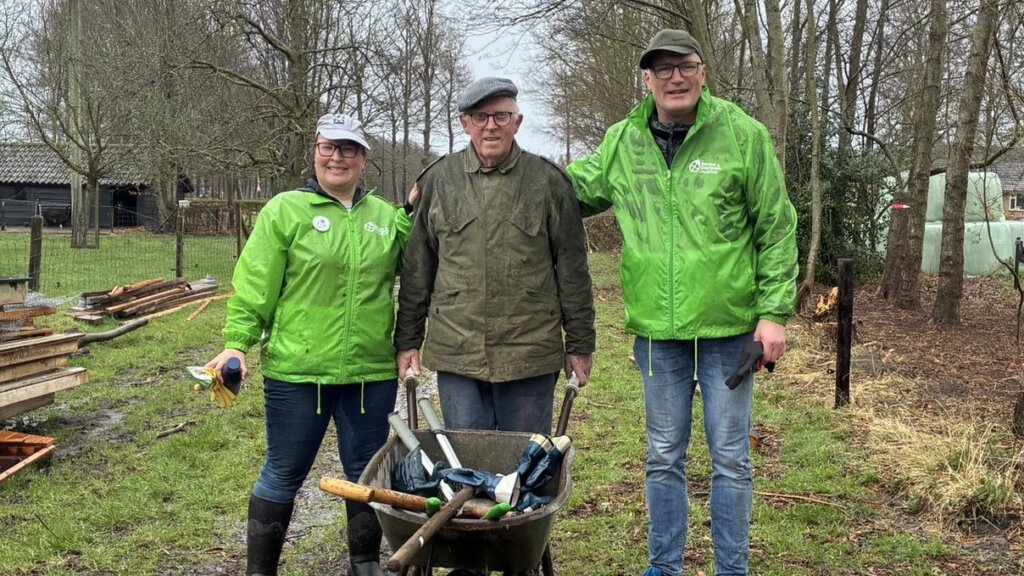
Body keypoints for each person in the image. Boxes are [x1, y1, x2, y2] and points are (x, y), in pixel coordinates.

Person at [565, 30, 798, 576]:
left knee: (731, 460)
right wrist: (506, 170)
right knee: (663, 457)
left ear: (702, 72)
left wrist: (773, 314)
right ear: (646, 80)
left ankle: (731, 568)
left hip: (730, 332)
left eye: (684, 66)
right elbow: (569, 192)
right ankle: (663, 566)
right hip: (657, 335)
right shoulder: (623, 141)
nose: (675, 77)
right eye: (662, 69)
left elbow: (777, 227)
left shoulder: (742, 135)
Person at [206, 114, 410, 576]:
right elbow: (256, 285)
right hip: (298, 373)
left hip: (370, 373)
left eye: (349, 149)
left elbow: (417, 274)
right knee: (283, 472)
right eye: (328, 147)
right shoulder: (285, 211)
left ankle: (363, 562)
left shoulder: (386, 218)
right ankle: (261, 570)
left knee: (365, 474)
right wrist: (237, 344)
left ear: (364, 158)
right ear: (315, 151)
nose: (337, 157)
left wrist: (418, 213)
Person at [394, 77, 596, 436]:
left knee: (523, 465)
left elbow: (573, 272)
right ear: (464, 123)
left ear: (517, 122)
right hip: (458, 351)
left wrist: (580, 344)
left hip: (530, 353)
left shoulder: (549, 182)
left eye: (501, 116)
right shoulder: (439, 181)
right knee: (468, 464)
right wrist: (408, 340)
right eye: (480, 116)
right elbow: (417, 270)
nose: (491, 125)